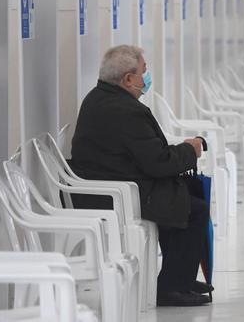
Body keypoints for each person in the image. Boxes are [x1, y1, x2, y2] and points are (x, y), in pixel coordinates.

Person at [70, 45, 212, 307]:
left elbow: (147, 154)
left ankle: (178, 277)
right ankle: (171, 288)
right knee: (193, 208)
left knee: (180, 194)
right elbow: (158, 163)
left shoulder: (98, 97)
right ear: (127, 79)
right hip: (115, 192)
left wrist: (180, 152)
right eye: (143, 72)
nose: (146, 78)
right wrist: (190, 150)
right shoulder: (127, 111)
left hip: (110, 182)